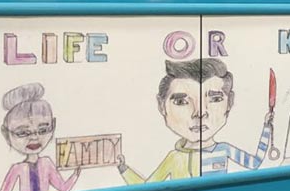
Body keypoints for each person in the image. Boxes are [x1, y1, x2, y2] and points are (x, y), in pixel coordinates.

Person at [117, 58, 274, 183]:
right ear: (162, 106)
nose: (200, 113)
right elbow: (148, 188)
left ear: (230, 102)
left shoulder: (224, 150)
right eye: (181, 102)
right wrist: (124, 169)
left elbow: (254, 163)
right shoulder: (174, 158)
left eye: (215, 99)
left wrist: (267, 127)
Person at [0, 83, 81, 191]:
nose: (34, 138)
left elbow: (63, 188)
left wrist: (76, 173)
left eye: (43, 130)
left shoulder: (46, 163)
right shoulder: (17, 168)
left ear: (53, 126)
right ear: (6, 134)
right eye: (23, 132)